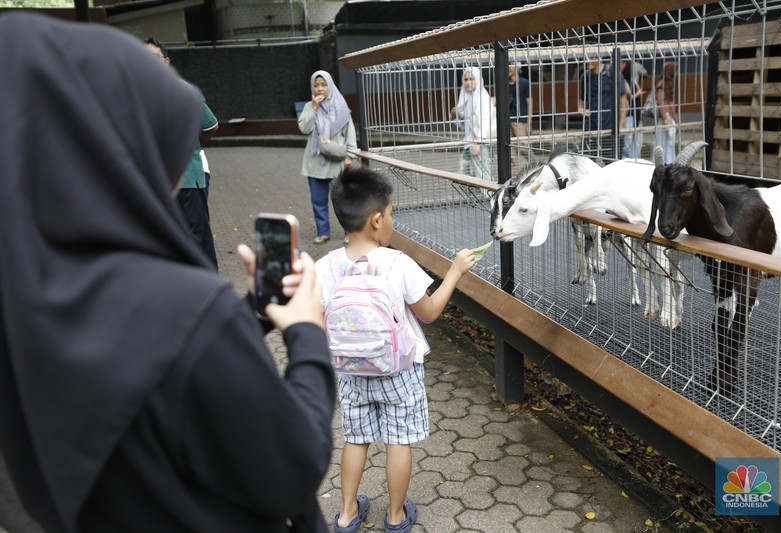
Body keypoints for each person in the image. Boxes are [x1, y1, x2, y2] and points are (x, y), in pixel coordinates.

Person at [0, 12, 336, 532]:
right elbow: (291, 469)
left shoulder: (27, 295)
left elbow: (145, 373)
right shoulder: (183, 311)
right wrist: (309, 336)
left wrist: (250, 313)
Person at [316, 167, 476, 533]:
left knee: (356, 439)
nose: (392, 220)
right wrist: (454, 273)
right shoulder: (398, 263)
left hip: (351, 371)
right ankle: (395, 516)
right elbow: (431, 313)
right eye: (391, 214)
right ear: (376, 220)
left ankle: (345, 515)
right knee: (398, 442)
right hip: (398, 370)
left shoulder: (325, 266)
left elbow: (316, 318)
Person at [145, 36, 220, 270]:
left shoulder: (184, 91)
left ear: (166, 61)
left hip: (187, 180)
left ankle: (208, 293)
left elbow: (210, 126)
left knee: (197, 239)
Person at [298, 70, 357, 245]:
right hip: (314, 162)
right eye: (316, 85)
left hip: (336, 162)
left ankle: (349, 231)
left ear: (330, 85)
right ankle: (323, 232)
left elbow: (350, 133)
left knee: (343, 200)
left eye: (323, 84)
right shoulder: (310, 106)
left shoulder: (340, 106)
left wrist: (349, 156)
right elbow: (304, 128)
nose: (320, 88)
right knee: (318, 201)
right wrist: (314, 108)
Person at [578, 56, 627, 161]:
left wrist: (622, 125)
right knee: (587, 162)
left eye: (590, 58)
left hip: (610, 127)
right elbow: (581, 100)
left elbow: (623, 97)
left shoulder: (612, 72)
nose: (587, 61)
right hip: (590, 128)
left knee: (613, 163)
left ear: (597, 57)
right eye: (585, 58)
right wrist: (581, 110)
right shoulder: (585, 77)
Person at [450, 66, 495, 180]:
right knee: (466, 174)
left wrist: (478, 143)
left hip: (481, 142)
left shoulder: (481, 97)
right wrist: (453, 115)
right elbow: (463, 124)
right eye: (466, 79)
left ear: (479, 79)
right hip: (470, 141)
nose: (468, 82)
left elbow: (485, 121)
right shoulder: (467, 97)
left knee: (482, 174)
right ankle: (475, 196)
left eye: (472, 79)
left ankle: (487, 196)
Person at [621, 60, 647, 159]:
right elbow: (627, 98)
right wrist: (637, 94)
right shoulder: (623, 81)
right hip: (628, 115)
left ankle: (634, 161)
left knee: (636, 141)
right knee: (628, 143)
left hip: (635, 114)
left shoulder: (632, 81)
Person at [654, 61, 678, 164]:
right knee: (663, 142)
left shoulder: (670, 83)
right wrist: (665, 119)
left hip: (670, 117)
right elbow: (660, 101)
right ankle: (663, 163)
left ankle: (670, 162)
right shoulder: (662, 83)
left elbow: (670, 101)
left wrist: (674, 117)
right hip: (665, 118)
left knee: (670, 142)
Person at [508, 62, 532, 137]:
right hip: (506, 121)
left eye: (510, 66)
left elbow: (530, 104)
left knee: (522, 146)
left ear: (517, 68)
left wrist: (529, 123)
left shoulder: (525, 83)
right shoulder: (503, 84)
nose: (508, 68)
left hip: (520, 121)